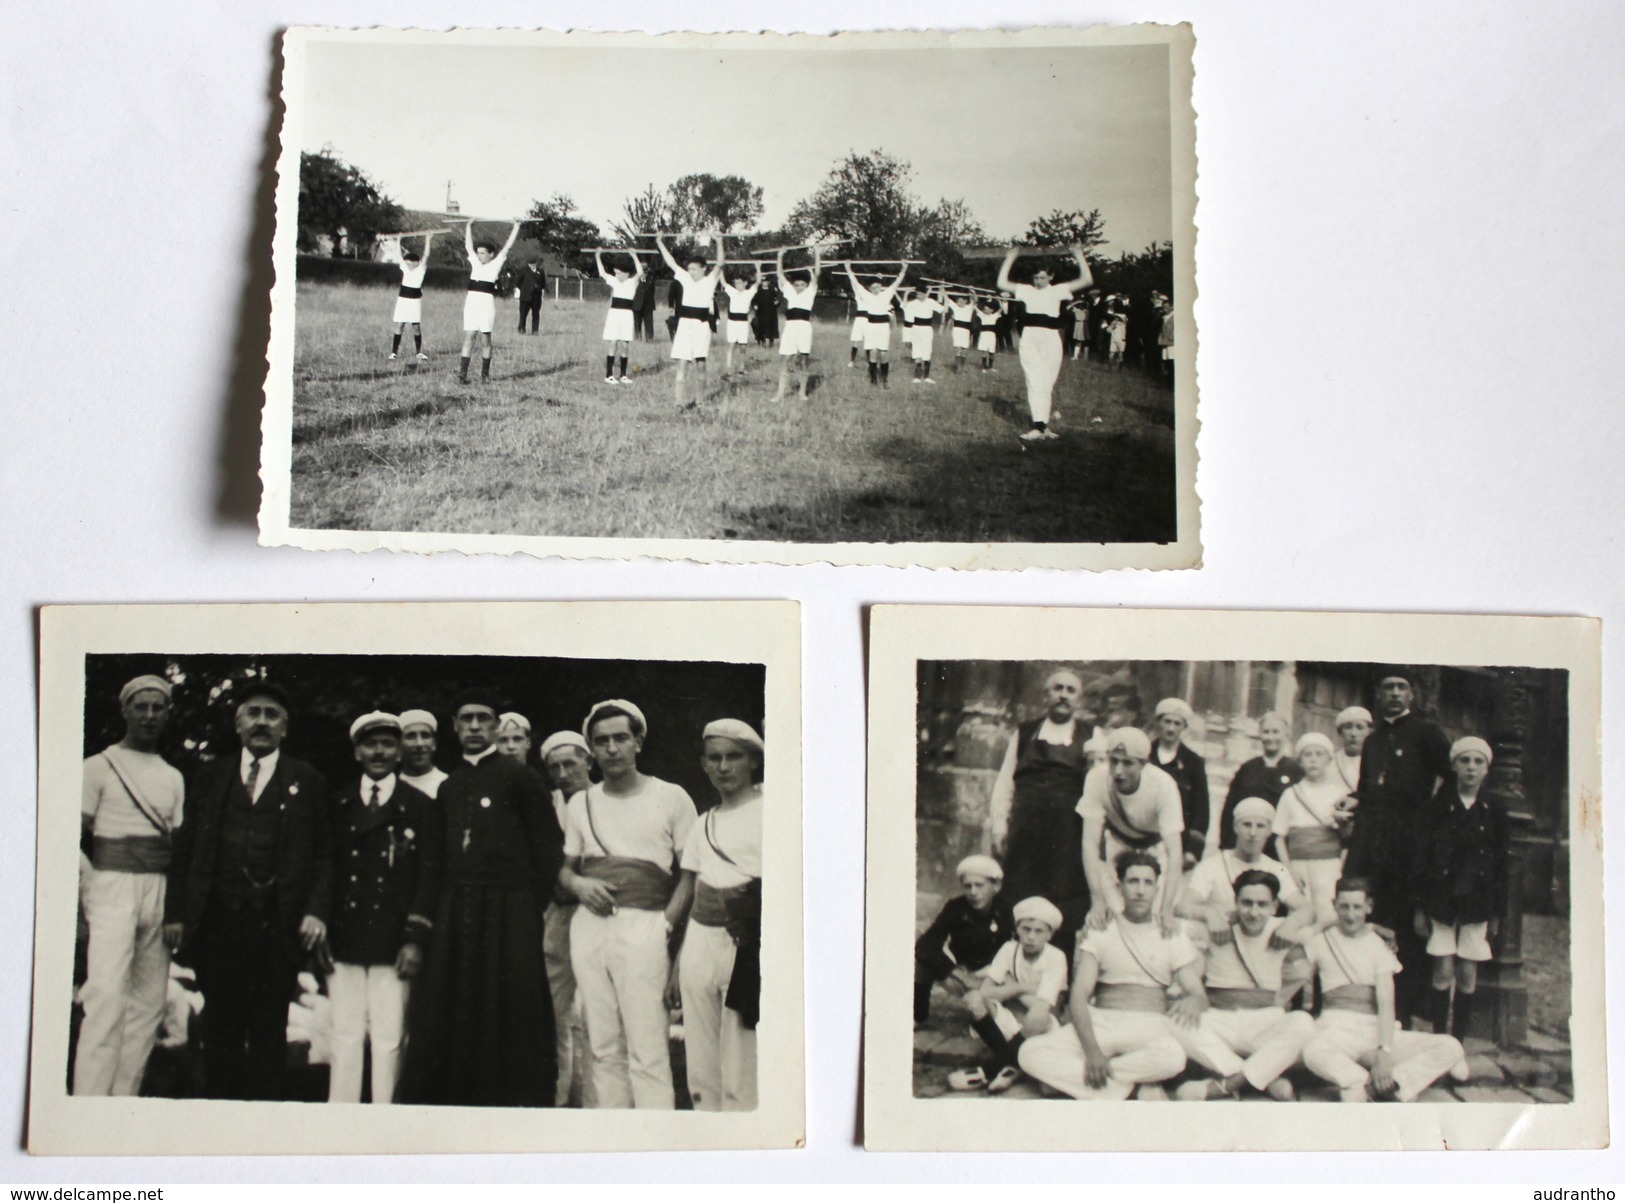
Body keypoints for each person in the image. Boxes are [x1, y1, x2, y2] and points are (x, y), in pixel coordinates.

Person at [395, 689, 563, 1107]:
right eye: (465, 719)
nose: (473, 726)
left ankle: (512, 1098)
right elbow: (435, 858)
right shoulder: (450, 786)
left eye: (482, 719)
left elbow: (548, 851)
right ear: (454, 727)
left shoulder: (522, 778)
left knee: (510, 1002)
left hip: (510, 910)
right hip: (456, 911)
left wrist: (523, 904)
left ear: (495, 726)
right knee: (454, 1001)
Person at [164, 681, 330, 1101]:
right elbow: (184, 852)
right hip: (218, 921)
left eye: (271, 715)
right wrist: (177, 914)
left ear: (284, 728)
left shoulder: (306, 779)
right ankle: (220, 1120)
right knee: (219, 1023)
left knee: (269, 1026)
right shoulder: (209, 776)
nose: (261, 722)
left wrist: (315, 911)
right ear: (238, 724)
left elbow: (325, 855)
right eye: (253, 713)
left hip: (277, 924)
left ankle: (264, 1124)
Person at [560, 699, 698, 1109]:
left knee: (648, 1046)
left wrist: (666, 926)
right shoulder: (580, 803)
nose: (612, 749)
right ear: (592, 749)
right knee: (602, 1043)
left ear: (638, 741)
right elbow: (564, 870)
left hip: (646, 927)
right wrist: (581, 886)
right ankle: (612, 1142)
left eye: (621, 738)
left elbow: (691, 873)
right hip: (589, 929)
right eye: (601, 741)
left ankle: (655, 1143)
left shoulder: (671, 797)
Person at [315, 712, 442, 1105]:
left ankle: (386, 1121)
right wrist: (320, 923)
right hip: (345, 934)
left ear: (399, 751)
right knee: (345, 1035)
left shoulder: (420, 806)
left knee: (389, 1038)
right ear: (357, 751)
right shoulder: (338, 803)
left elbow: (428, 878)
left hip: (393, 939)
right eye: (371, 744)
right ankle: (343, 1122)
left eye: (388, 744)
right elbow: (324, 867)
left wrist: (415, 939)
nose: (380, 752)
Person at [75, 675, 185, 1097]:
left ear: (167, 714)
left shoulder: (173, 776)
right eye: (141, 706)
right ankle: (88, 1099)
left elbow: (176, 843)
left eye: (158, 708)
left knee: (149, 1003)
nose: (149, 715)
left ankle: (124, 1099)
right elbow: (71, 837)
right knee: (104, 995)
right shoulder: (97, 766)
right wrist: (93, 884)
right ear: (125, 711)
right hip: (111, 886)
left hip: (157, 888)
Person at [1018, 852, 1203, 1099]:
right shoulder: (1102, 930)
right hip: (1102, 1021)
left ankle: (1090, 1081)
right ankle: (1127, 1087)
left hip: (1148, 1024)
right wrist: (1093, 1052)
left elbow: (1197, 993)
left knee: (1173, 1057)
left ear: (1157, 889)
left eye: (1148, 883)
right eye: (1133, 881)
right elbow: (1080, 995)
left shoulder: (1171, 933)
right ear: (1120, 886)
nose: (1140, 890)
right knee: (1029, 1053)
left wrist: (1193, 999)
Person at [1301, 877, 1467, 1101]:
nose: (1351, 915)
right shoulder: (1320, 941)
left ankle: (1394, 1083)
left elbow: (1386, 1002)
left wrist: (1384, 1053)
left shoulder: (1378, 945)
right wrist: (1324, 924)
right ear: (1334, 906)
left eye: (1357, 907)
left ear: (1369, 907)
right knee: (1312, 1051)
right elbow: (1297, 960)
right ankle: (1366, 1083)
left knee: (1450, 1046)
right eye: (1344, 906)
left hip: (1375, 1031)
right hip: (1337, 1029)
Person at [1349, 673, 1452, 1022]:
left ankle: (1404, 1013)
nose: (1394, 693)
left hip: (1409, 844)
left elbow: (1451, 777)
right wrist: (1352, 804)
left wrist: (1429, 819)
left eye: (1401, 688)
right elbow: (1367, 789)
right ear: (1378, 694)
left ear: (1412, 695)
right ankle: (1370, 1008)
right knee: (1374, 921)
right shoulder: (1373, 741)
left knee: (1407, 927)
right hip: (1374, 842)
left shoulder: (1426, 733)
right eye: (1388, 687)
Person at [676, 719, 765, 1112]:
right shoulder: (702, 823)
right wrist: (679, 956)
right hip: (701, 937)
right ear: (704, 766)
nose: (724, 767)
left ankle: (743, 1133)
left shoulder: (770, 812)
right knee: (700, 1052)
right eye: (715, 759)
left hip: (745, 939)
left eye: (734, 757)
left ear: (753, 762)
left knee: (740, 1052)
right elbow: (693, 888)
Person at [1174, 869, 1315, 1101]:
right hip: (1220, 1018)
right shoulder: (1217, 925)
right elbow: (1175, 918)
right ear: (1236, 902)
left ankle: (1228, 1084)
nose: (1254, 912)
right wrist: (1208, 912)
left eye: (1262, 904)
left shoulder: (1283, 929)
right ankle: (1263, 1079)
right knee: (1174, 1021)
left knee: (1304, 1023)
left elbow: (1303, 970)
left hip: (1264, 1021)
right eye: (1246, 903)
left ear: (1274, 905)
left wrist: (1282, 998)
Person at [987, 669, 1093, 961]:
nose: (1063, 695)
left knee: (1064, 903)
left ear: (1079, 699)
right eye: (1057, 688)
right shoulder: (1024, 732)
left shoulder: (1092, 736)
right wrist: (999, 827)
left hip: (1067, 837)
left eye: (1071, 690)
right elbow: (1005, 782)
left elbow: (1098, 789)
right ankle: (1007, 972)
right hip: (1024, 835)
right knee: (1015, 899)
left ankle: (1055, 984)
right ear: (1046, 695)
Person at [1413, 737, 1508, 1042]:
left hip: (1477, 901)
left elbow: (1501, 865)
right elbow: (1423, 857)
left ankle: (1458, 1043)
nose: (1471, 768)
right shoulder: (1439, 805)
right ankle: (1440, 1039)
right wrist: (1420, 908)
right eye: (1465, 761)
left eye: (1478, 762)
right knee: (1442, 969)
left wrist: (1496, 912)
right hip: (1441, 899)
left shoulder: (1494, 809)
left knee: (1467, 973)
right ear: (1454, 765)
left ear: (1486, 769)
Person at [947, 897, 1067, 1094]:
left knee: (1036, 1018)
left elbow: (1041, 1011)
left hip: (1042, 1027)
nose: (1031, 936)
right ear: (1017, 929)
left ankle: (990, 1069)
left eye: (1039, 931)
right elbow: (985, 992)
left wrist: (1007, 987)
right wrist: (1022, 988)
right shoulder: (1009, 949)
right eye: (1026, 929)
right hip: (1010, 1019)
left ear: (1050, 935)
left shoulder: (1056, 957)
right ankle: (1013, 1066)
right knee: (973, 1000)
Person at [538, 730, 596, 1107]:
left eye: (570, 764)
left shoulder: (605, 800)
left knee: (596, 1011)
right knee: (555, 1011)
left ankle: (594, 1101)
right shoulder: (548, 805)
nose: (562, 773)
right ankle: (558, 1100)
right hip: (557, 913)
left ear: (588, 761)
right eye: (554, 767)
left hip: (598, 914)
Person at [1079, 729, 1186, 934]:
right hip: (1117, 846)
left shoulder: (1164, 785)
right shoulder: (1096, 778)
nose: (1118, 771)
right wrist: (1097, 901)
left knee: (1154, 919)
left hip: (1155, 849)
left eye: (1127, 763)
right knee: (1111, 917)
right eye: (1113, 761)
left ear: (1144, 764)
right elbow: (1090, 843)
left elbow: (1174, 852)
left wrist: (1166, 908)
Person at [997, 243, 1094, 441]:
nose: (1038, 281)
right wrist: (1010, 258)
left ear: (1050, 277)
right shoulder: (1026, 290)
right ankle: (1037, 427)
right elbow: (1002, 284)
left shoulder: (1059, 290)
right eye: (1036, 277)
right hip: (1031, 338)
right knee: (1034, 381)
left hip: (1051, 338)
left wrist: (1078, 255)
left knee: (1047, 384)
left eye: (1042, 277)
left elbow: (1087, 279)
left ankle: (1044, 427)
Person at [1175, 797, 1305, 943]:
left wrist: (1291, 924)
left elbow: (1307, 908)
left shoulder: (1276, 868)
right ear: (1235, 827)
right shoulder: (1212, 865)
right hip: (1221, 940)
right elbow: (1182, 907)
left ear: (1269, 831)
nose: (1253, 833)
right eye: (1247, 825)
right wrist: (1210, 914)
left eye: (1260, 826)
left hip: (1258, 944)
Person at [914, 855, 1016, 1025]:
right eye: (967, 886)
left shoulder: (1005, 909)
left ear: (995, 886)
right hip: (961, 973)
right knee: (921, 961)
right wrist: (957, 973)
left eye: (979, 885)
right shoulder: (956, 907)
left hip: (993, 976)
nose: (973, 892)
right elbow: (926, 945)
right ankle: (918, 1015)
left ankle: (1003, 1019)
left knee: (994, 1019)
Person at [1273, 732, 1354, 929]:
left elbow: (1349, 837)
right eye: (1308, 755)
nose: (1313, 760)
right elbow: (1278, 837)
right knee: (1301, 913)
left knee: (1328, 912)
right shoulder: (1291, 794)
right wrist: (1288, 870)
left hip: (1329, 864)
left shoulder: (1339, 794)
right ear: (1300, 760)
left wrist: (1341, 862)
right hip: (1298, 864)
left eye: (1319, 754)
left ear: (1328, 759)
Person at [656, 233, 725, 410]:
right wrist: (659, 241)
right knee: (682, 364)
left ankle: (700, 401)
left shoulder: (710, 280)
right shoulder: (685, 278)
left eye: (694, 269)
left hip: (702, 327)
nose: (691, 272)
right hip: (685, 325)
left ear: (704, 269)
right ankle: (679, 402)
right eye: (689, 269)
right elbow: (670, 261)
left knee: (701, 365)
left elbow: (721, 263)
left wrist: (718, 242)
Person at [1217, 712, 1302, 852]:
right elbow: (1229, 810)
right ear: (1259, 735)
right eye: (1266, 732)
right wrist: (1227, 845)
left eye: (1276, 732)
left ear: (1286, 735)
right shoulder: (1247, 768)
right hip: (1247, 844)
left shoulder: (1296, 771)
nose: (1270, 737)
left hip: (1280, 847)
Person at [456, 220, 521, 384]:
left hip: (486, 306)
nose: (479, 256)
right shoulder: (475, 264)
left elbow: (507, 247)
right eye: (478, 253)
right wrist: (469, 227)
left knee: (486, 340)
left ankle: (484, 375)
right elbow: (468, 247)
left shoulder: (496, 265)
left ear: (491, 254)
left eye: (483, 253)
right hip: (471, 305)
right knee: (469, 338)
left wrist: (516, 227)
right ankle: (462, 375)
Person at [1149, 698, 1212, 853]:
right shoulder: (1144, 754)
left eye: (1177, 724)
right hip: (1145, 836)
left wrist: (1193, 851)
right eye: (1167, 722)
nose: (1171, 728)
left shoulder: (1193, 762)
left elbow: (1201, 808)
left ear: (1184, 727)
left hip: (1178, 842)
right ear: (1158, 723)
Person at [769, 247, 822, 404]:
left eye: (802, 285)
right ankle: (779, 394)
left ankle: (802, 393)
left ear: (807, 285)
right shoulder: (789, 292)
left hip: (804, 328)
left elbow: (817, 274)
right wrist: (779, 256)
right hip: (790, 328)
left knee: (804, 360)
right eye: (797, 284)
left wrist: (817, 255)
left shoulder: (810, 291)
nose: (799, 287)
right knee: (786, 359)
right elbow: (780, 274)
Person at [844, 262, 909, 389]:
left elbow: (897, 281)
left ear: (881, 287)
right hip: (871, 327)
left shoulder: (886, 294)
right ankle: (873, 380)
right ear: (869, 288)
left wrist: (904, 268)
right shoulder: (866, 295)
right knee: (873, 353)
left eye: (878, 287)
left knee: (883, 353)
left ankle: (885, 380)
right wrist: (848, 268)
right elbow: (855, 282)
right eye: (873, 288)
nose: (875, 290)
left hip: (883, 327)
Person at [596, 249, 644, 385]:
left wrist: (634, 255)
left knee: (625, 345)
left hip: (627, 315)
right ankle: (609, 375)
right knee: (613, 343)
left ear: (626, 273)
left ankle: (623, 375)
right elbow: (602, 273)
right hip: (614, 314)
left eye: (619, 273)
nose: (616, 275)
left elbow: (640, 272)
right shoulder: (614, 281)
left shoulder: (632, 282)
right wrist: (598, 256)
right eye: (615, 273)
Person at [388, 233, 436, 364]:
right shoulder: (404, 267)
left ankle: (419, 352)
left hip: (415, 301)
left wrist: (428, 239)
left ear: (417, 263)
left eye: (411, 263)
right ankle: (394, 352)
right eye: (407, 263)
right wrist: (398, 239)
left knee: (416, 327)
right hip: (403, 300)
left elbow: (426, 255)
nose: (408, 265)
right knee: (400, 325)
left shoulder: (421, 269)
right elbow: (398, 255)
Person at [398, 708, 448, 799]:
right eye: (411, 736)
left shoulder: (448, 784)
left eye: (425, 736)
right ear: (399, 745)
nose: (419, 743)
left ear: (434, 744)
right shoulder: (391, 787)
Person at [720, 266, 761, 377]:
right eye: (736, 283)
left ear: (745, 283)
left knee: (742, 346)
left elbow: (758, 282)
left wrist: (758, 267)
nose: (737, 285)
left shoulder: (749, 292)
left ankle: (741, 367)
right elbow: (723, 282)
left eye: (739, 283)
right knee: (731, 345)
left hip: (742, 322)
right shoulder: (732, 291)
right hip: (732, 322)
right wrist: (720, 269)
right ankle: (728, 368)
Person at [901, 286, 946, 384]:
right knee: (917, 351)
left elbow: (944, 310)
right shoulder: (913, 303)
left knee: (927, 351)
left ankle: (926, 377)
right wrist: (906, 294)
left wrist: (945, 297)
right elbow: (904, 306)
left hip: (927, 329)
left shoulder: (931, 302)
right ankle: (917, 376)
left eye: (921, 294)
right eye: (917, 294)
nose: (919, 296)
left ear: (926, 294)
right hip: (916, 329)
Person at [1334, 706, 1373, 792]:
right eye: (1348, 727)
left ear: (1369, 732)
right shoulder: (1331, 762)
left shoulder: (1376, 761)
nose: (1353, 733)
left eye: (1360, 727)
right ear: (1340, 732)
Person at [513, 255, 548, 335]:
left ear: (536, 263)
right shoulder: (523, 271)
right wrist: (523, 290)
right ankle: (522, 329)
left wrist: (540, 290)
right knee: (523, 314)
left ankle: (535, 331)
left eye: (533, 263)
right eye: (530, 264)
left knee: (536, 314)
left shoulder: (540, 271)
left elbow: (543, 283)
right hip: (525, 296)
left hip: (536, 296)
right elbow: (517, 282)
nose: (532, 265)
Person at [973, 295, 1003, 372]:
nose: (985, 310)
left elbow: (1001, 308)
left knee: (991, 351)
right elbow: (974, 307)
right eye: (984, 309)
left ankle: (990, 367)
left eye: (987, 309)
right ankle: (984, 367)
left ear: (991, 310)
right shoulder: (982, 315)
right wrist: (974, 296)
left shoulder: (994, 316)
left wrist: (998, 300)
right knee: (984, 351)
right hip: (984, 335)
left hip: (991, 336)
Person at [751, 275, 780, 348]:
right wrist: (754, 305)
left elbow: (777, 300)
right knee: (759, 327)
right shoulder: (758, 291)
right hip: (761, 313)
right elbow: (753, 300)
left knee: (771, 328)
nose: (765, 283)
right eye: (763, 281)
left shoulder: (772, 290)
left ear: (768, 282)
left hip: (771, 313)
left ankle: (771, 342)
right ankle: (761, 342)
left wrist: (777, 303)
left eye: (766, 281)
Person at [632, 268, 659, 343]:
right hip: (637, 304)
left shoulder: (651, 279)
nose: (645, 273)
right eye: (643, 271)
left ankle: (649, 338)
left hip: (648, 305)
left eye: (646, 271)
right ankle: (637, 337)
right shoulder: (635, 279)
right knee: (637, 322)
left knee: (649, 322)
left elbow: (652, 291)